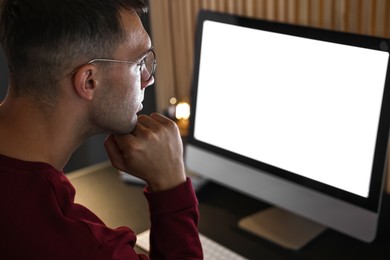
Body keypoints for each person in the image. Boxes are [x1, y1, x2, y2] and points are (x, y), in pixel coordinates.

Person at [0, 0, 203, 259]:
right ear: (89, 80)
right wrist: (171, 186)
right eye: (140, 61)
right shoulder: (81, 246)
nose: (148, 78)